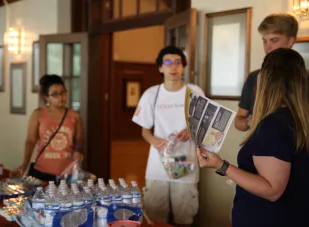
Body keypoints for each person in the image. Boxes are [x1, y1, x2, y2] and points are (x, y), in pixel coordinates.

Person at [197, 48, 309, 227]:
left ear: (267, 78)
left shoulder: (273, 125)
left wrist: (221, 165)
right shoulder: (297, 119)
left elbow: (272, 190)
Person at [132, 46, 204, 227]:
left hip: (186, 165)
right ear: (160, 68)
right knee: (155, 218)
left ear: (183, 67)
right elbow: (145, 131)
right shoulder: (151, 94)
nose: (173, 67)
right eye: (168, 62)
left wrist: (192, 130)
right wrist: (156, 141)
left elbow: (206, 127)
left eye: (178, 62)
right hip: (157, 166)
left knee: (184, 218)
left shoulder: (194, 92)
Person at [10, 75, 83, 181]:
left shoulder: (74, 116)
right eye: (55, 94)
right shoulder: (38, 114)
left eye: (63, 92)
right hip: (42, 172)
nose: (61, 97)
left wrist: (78, 151)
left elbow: (79, 139)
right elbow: (30, 141)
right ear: (46, 97)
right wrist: (24, 164)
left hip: (66, 173)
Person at [235, 13, 298, 131]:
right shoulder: (254, 77)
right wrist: (250, 121)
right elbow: (238, 121)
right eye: (264, 41)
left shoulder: (304, 78)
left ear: (290, 41)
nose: (267, 48)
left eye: (274, 40)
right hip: (259, 146)